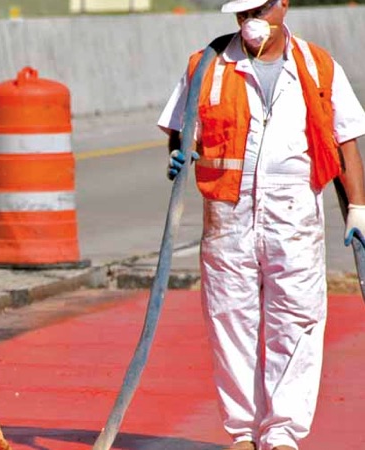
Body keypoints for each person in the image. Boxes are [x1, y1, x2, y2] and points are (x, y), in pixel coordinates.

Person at [159, 0, 365, 448]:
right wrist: (177, 152)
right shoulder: (206, 65)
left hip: (294, 215)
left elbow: (345, 140)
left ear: (283, 5)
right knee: (230, 320)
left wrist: (358, 208)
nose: (249, 20)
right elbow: (180, 129)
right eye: (242, 12)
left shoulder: (318, 65)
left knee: (298, 319)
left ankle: (283, 434)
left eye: (259, 9)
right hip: (228, 216)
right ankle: (243, 433)